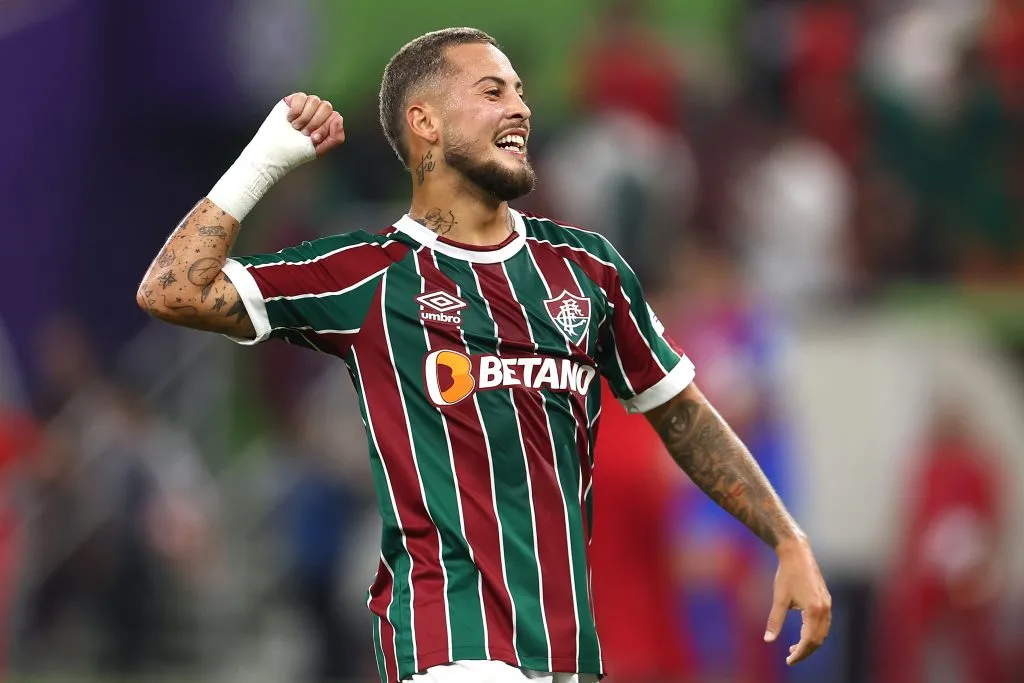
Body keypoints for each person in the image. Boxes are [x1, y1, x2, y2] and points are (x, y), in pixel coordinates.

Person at [136, 27, 831, 683]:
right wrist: (263, 160)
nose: (521, 109)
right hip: (452, 644)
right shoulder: (371, 275)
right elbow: (171, 289)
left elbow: (683, 417)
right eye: (492, 92)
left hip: (566, 650)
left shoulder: (588, 273)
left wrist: (786, 538)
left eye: (521, 92)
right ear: (426, 123)